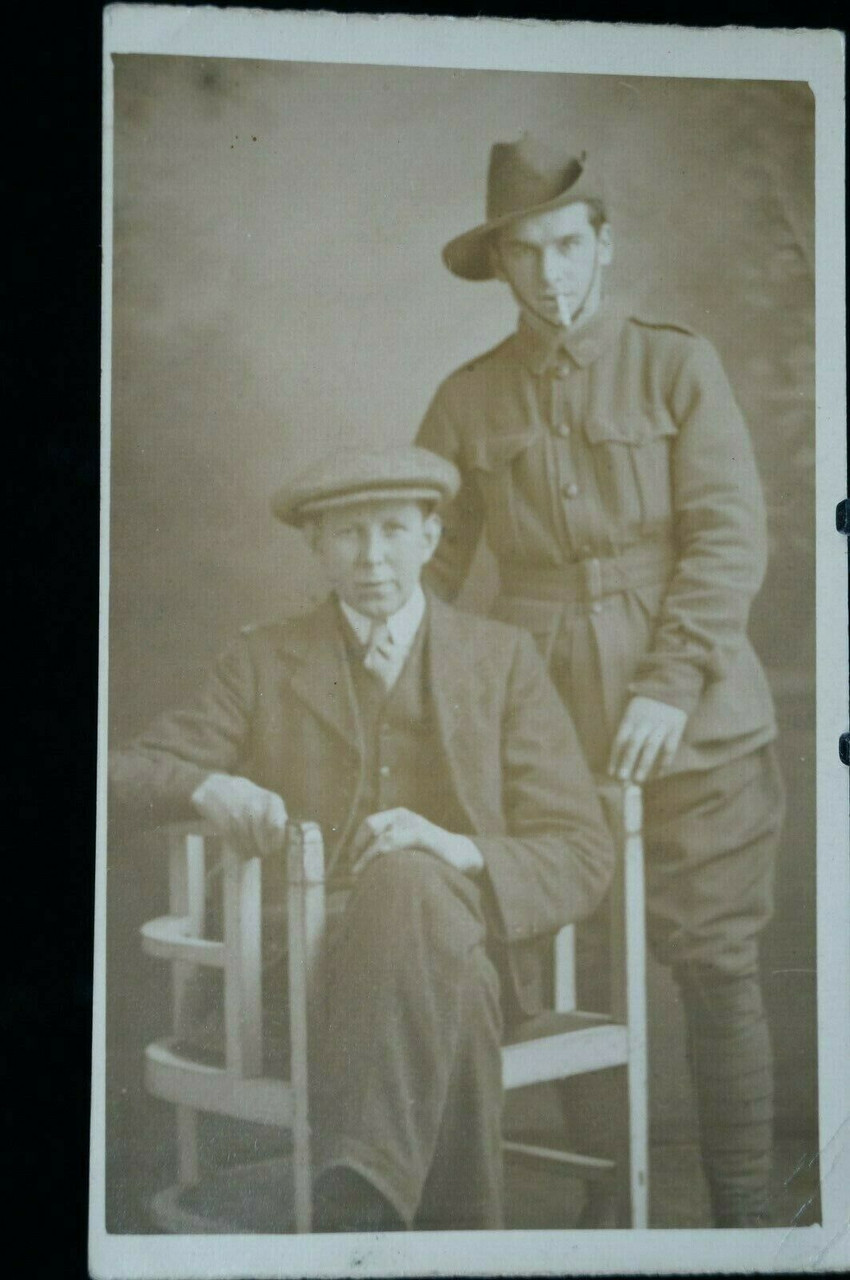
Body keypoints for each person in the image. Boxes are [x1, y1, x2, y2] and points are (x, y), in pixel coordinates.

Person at [414, 135, 785, 1228]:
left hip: (697, 719)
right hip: (543, 737)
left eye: (568, 245)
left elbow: (728, 537)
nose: (550, 272)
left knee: (717, 963)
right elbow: (426, 561)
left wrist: (670, 682)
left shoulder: (676, 366)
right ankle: (607, 1215)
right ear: (500, 264)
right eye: (526, 252)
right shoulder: (465, 400)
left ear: (604, 244)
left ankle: (751, 1224)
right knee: (574, 975)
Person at [109, 444, 615, 1232]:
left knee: (413, 881)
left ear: (431, 536)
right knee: (459, 990)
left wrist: (456, 849)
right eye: (348, 534)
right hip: (297, 980)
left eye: (392, 530)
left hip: (458, 941)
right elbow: (120, 774)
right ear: (317, 546)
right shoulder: (262, 659)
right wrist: (205, 786)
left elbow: (582, 852)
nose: (372, 557)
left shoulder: (501, 660)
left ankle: (360, 1205)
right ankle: (438, 1243)